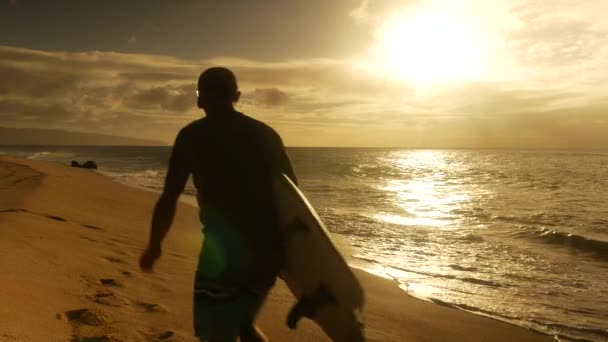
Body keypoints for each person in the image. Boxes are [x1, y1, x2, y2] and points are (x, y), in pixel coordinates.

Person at [139, 67, 297, 342]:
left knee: (214, 335)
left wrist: (154, 245)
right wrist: (291, 254)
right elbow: (293, 198)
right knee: (243, 325)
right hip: (266, 253)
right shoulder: (266, 135)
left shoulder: (192, 136)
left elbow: (169, 197)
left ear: (199, 99)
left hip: (223, 254)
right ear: (236, 96)